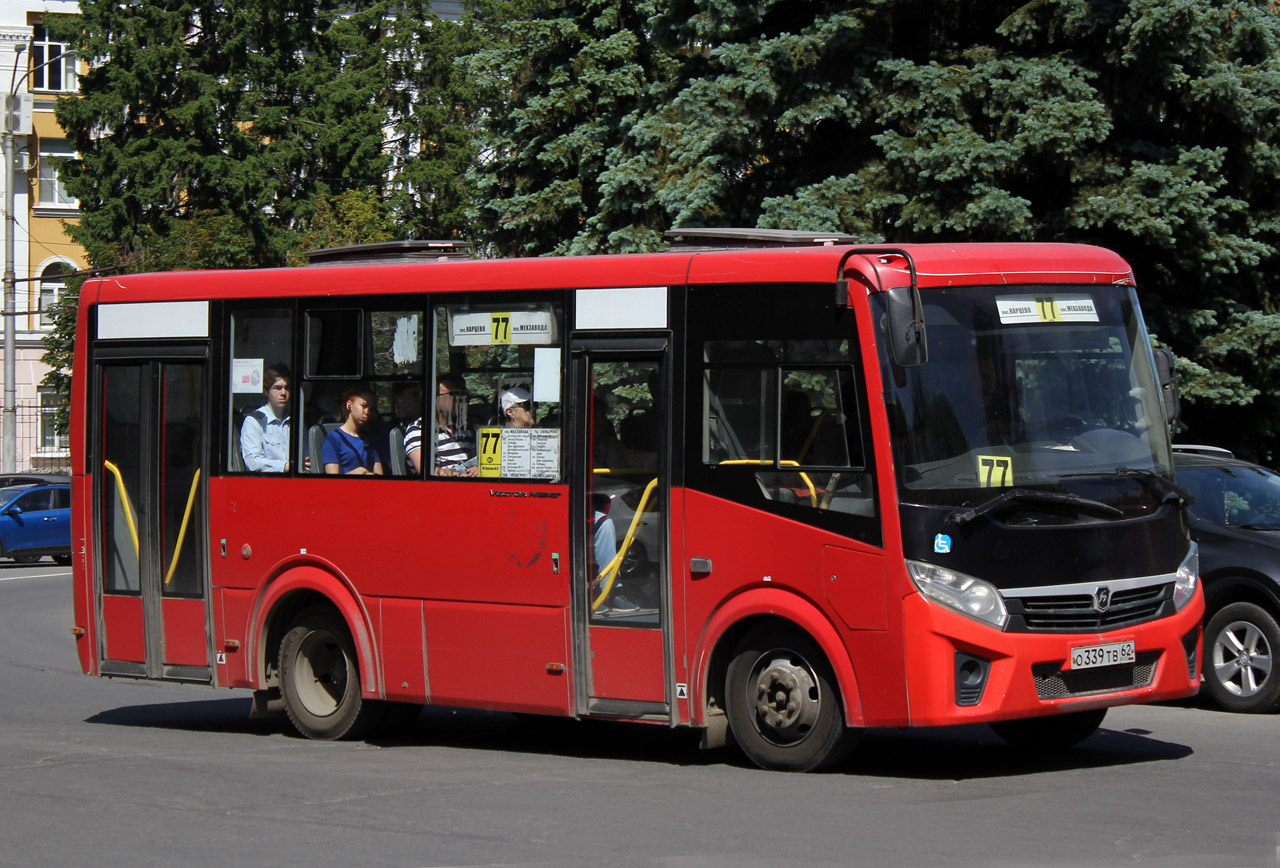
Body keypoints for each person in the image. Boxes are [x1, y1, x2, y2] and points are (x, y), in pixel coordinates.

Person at [407, 373, 477, 476]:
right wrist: (459, 475)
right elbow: (426, 471)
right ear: (434, 398)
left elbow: (476, 458)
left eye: (461, 394)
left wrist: (478, 469)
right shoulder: (418, 429)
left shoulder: (465, 428)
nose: (458, 399)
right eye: (452, 394)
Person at [241, 366, 294, 472]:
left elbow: (306, 458)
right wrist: (284, 466)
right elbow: (253, 462)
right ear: (266, 391)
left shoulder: (296, 421)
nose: (283, 393)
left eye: (287, 388)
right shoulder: (254, 421)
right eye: (278, 388)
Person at [323, 386, 383, 475]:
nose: (367, 412)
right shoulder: (333, 439)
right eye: (364, 406)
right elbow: (332, 481)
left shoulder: (369, 439)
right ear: (349, 405)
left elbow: (379, 473)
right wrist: (357, 474)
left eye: (371, 409)